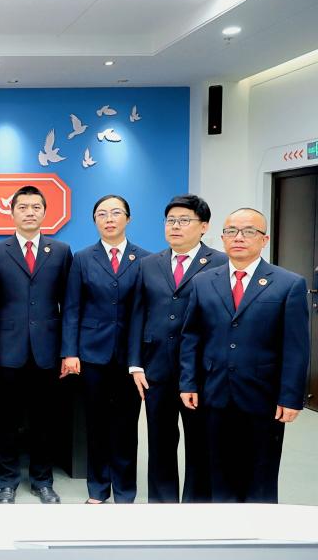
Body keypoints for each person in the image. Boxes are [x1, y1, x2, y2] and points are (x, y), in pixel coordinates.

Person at [179, 208, 309, 503]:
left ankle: (258, 527)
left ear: (264, 239)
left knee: (260, 474)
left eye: (249, 231)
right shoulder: (203, 282)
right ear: (223, 237)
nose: (238, 237)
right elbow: (191, 337)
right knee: (216, 470)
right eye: (231, 231)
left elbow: (296, 347)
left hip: (263, 397)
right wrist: (188, 382)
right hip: (213, 393)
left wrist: (291, 397)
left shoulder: (288, 284)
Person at [127, 195, 226, 503]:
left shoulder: (220, 263)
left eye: (184, 221)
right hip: (155, 368)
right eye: (171, 221)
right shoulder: (149, 264)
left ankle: (196, 506)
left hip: (200, 370)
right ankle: (162, 505)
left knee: (200, 443)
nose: (175, 227)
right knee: (160, 441)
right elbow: (138, 314)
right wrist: (135, 363)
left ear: (204, 226)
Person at [0, 186, 72, 504]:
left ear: (44, 212)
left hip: (48, 350)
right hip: (7, 349)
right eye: (23, 207)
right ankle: (6, 481)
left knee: (44, 419)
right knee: (5, 421)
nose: (29, 212)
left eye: (36, 207)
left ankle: (42, 480)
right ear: (12, 213)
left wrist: (68, 350)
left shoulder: (61, 251)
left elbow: (70, 305)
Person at [62, 194, 147, 504]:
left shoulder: (145, 259)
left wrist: (140, 358)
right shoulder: (83, 258)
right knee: (96, 425)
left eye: (115, 213)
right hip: (91, 354)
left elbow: (145, 311)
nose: (109, 219)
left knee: (126, 426)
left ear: (128, 218)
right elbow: (72, 308)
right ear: (95, 220)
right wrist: (70, 352)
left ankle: (125, 491)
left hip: (129, 356)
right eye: (102, 214)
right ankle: (97, 489)